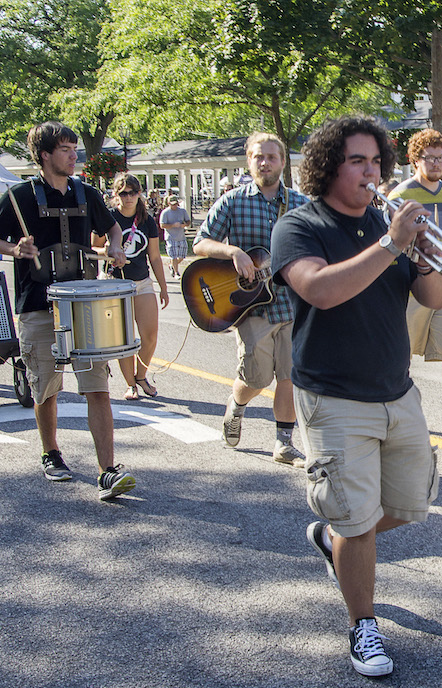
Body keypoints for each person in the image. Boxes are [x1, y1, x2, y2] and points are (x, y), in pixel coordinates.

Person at [271, 115, 442, 677]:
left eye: (376, 162)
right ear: (328, 167)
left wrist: (421, 253)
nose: (371, 173)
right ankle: (363, 625)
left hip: (396, 390)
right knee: (357, 519)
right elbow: (322, 291)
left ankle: (333, 534)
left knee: (410, 503)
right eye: (357, 162)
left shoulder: (385, 222)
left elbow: (437, 298)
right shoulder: (300, 226)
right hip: (334, 395)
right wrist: (391, 244)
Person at [0, 120, 136, 501]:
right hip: (36, 304)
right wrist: (14, 250)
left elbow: (112, 228)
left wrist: (115, 246)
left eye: (74, 148)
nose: (73, 155)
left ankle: (107, 470)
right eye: (65, 149)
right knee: (46, 385)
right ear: (44, 155)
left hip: (84, 304)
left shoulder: (87, 192)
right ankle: (51, 453)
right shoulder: (20, 197)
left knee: (98, 386)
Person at [194, 132, 310, 466]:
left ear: (283, 162)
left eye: (272, 157)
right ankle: (236, 404)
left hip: (291, 305)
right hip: (250, 307)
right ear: (249, 160)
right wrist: (233, 252)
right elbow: (200, 243)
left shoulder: (301, 204)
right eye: (259, 156)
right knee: (255, 379)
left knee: (290, 376)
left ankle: (284, 443)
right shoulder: (233, 201)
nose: (265, 163)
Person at [388, 129, 442, 428]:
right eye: (430, 158)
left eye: (441, 158)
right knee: (401, 355)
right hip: (411, 290)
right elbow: (393, 243)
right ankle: (400, 416)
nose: (436, 163)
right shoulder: (400, 195)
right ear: (415, 160)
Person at [97, 172, 170, 401]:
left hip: (141, 282)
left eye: (133, 193)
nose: (128, 198)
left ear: (140, 194)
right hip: (115, 284)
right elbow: (92, 248)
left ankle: (141, 375)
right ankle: (130, 384)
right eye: (124, 193)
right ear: (116, 195)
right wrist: (110, 251)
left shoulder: (146, 220)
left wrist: (164, 287)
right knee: (123, 338)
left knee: (150, 335)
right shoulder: (108, 217)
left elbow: (155, 257)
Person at [158, 194, 190, 278]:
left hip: (181, 237)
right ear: (168, 203)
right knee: (174, 256)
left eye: (176, 204)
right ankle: (176, 272)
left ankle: (171, 265)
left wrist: (184, 224)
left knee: (182, 256)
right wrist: (172, 225)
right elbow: (162, 225)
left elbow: (188, 221)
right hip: (170, 237)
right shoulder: (165, 212)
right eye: (172, 204)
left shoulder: (182, 211)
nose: (174, 206)